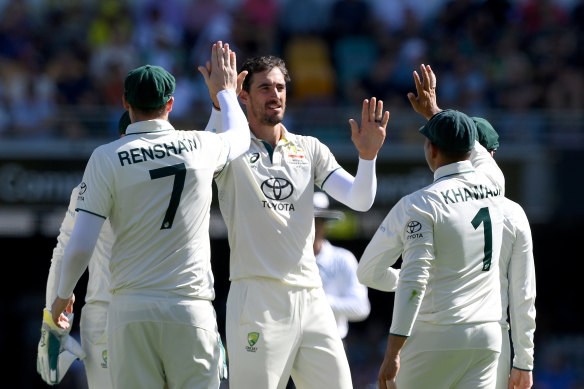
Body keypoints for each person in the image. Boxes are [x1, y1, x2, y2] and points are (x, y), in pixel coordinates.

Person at [49, 41, 250, 389]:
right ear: (170, 104)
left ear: (126, 104)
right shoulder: (200, 145)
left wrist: (63, 295)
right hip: (190, 308)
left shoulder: (105, 156)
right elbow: (241, 137)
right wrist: (226, 94)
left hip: (129, 311)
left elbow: (80, 244)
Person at [199, 54, 388, 388]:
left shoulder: (310, 148)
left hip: (312, 296)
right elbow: (204, 157)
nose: (276, 95)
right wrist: (220, 100)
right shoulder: (230, 145)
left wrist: (368, 157)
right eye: (265, 87)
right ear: (244, 94)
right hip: (257, 298)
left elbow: (360, 198)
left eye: (281, 87)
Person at [357, 64, 506, 389]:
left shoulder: (419, 204)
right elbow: (473, 149)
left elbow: (372, 273)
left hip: (436, 334)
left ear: (431, 150)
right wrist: (434, 110)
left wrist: (393, 350)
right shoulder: (495, 180)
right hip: (486, 336)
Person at [36, 112, 130, 388]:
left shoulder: (93, 182)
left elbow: (64, 251)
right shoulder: (180, 174)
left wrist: (51, 325)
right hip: (165, 311)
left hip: (106, 315)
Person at [472, 118, 536, 389]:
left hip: (437, 332)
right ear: (492, 155)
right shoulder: (513, 212)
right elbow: (523, 294)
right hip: (491, 337)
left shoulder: (432, 203)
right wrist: (524, 359)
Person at [313, 191, 370, 340]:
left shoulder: (343, 258)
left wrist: (318, 300)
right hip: (292, 343)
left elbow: (361, 307)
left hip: (331, 341)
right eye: (308, 221)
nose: (312, 227)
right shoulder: (288, 259)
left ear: (325, 225)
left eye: (317, 221)